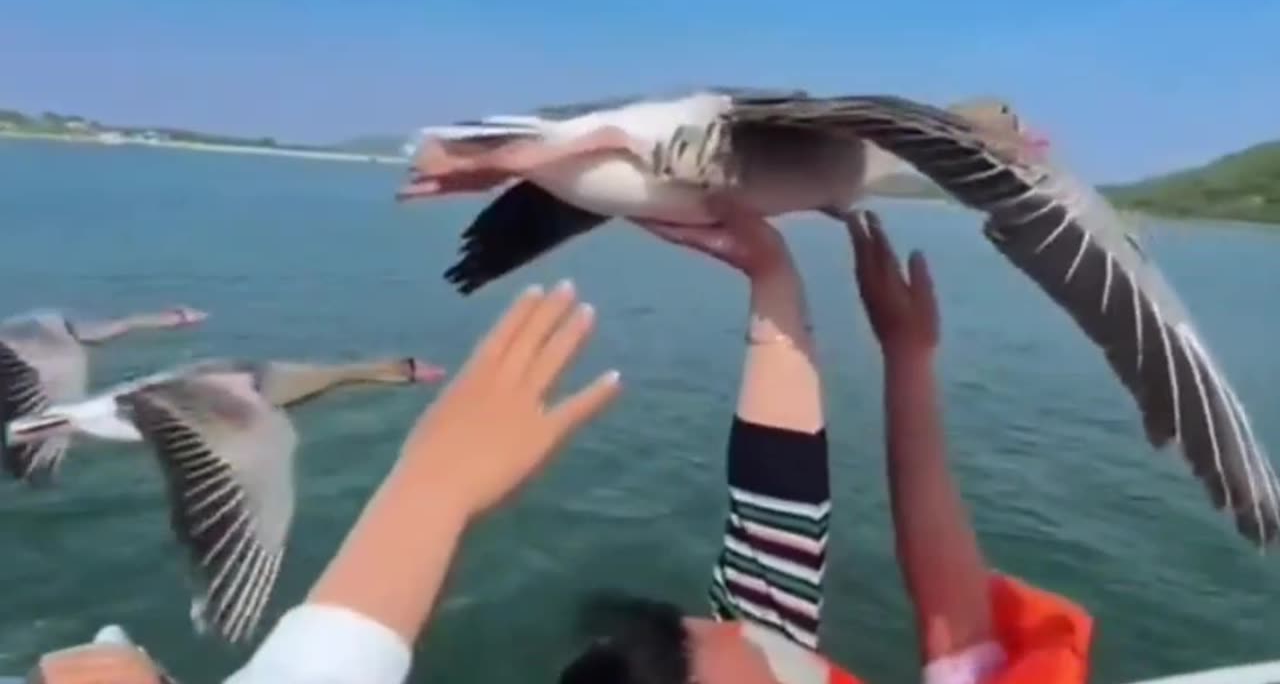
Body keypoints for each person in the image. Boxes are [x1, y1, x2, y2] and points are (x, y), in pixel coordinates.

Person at [555, 210, 1094, 684]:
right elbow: (960, 632)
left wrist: (774, 277)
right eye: (686, 638)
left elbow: (775, 509)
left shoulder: (756, 656)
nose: (735, 629)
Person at [26, 281, 623, 684]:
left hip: (121, 410)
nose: (416, 373)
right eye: (411, 368)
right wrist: (434, 491)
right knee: (265, 447)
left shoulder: (259, 384)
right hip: (108, 412)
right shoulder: (253, 401)